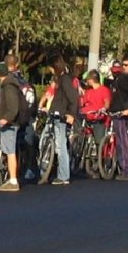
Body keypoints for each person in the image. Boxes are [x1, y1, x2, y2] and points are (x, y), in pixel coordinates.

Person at [0, 62, 23, 191]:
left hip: (10, 123)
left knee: (10, 152)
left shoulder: (8, 86)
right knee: (9, 150)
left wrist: (6, 118)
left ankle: (13, 180)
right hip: (10, 121)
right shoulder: (11, 83)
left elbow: (12, 106)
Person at [48, 56, 78, 186]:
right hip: (57, 113)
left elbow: (73, 97)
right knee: (60, 144)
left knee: (61, 145)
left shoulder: (65, 79)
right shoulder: (62, 78)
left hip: (61, 115)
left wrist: (71, 114)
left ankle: (63, 175)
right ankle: (61, 173)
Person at [80, 70, 111, 147]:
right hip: (87, 117)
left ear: (91, 80)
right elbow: (82, 102)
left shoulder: (104, 90)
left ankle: (99, 155)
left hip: (98, 118)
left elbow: (107, 102)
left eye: (88, 79)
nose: (87, 82)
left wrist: (104, 108)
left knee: (99, 141)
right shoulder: (89, 91)